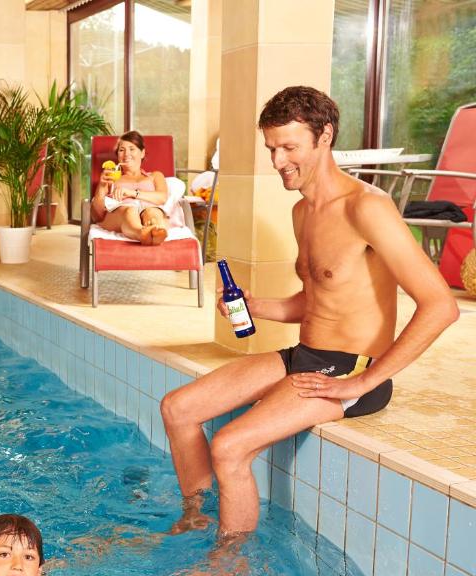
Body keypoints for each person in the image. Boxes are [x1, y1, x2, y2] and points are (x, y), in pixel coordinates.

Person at [161, 86, 459, 539]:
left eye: (289, 147)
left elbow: (441, 306)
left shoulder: (367, 208)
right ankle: (198, 520)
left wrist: (363, 381)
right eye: (272, 148)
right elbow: (315, 299)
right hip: (307, 355)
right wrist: (254, 306)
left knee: (229, 445)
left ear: (325, 137)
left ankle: (227, 568)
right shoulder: (303, 211)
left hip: (351, 369)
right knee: (178, 408)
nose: (279, 161)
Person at [90, 130, 171, 245]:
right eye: (121, 150)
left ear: (142, 153)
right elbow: (96, 216)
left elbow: (162, 197)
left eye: (132, 149)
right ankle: (142, 233)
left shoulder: (155, 176)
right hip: (120, 216)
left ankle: (156, 231)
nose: (126, 154)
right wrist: (101, 187)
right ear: (117, 155)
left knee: (152, 212)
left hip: (150, 210)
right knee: (130, 210)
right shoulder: (110, 178)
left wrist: (131, 193)